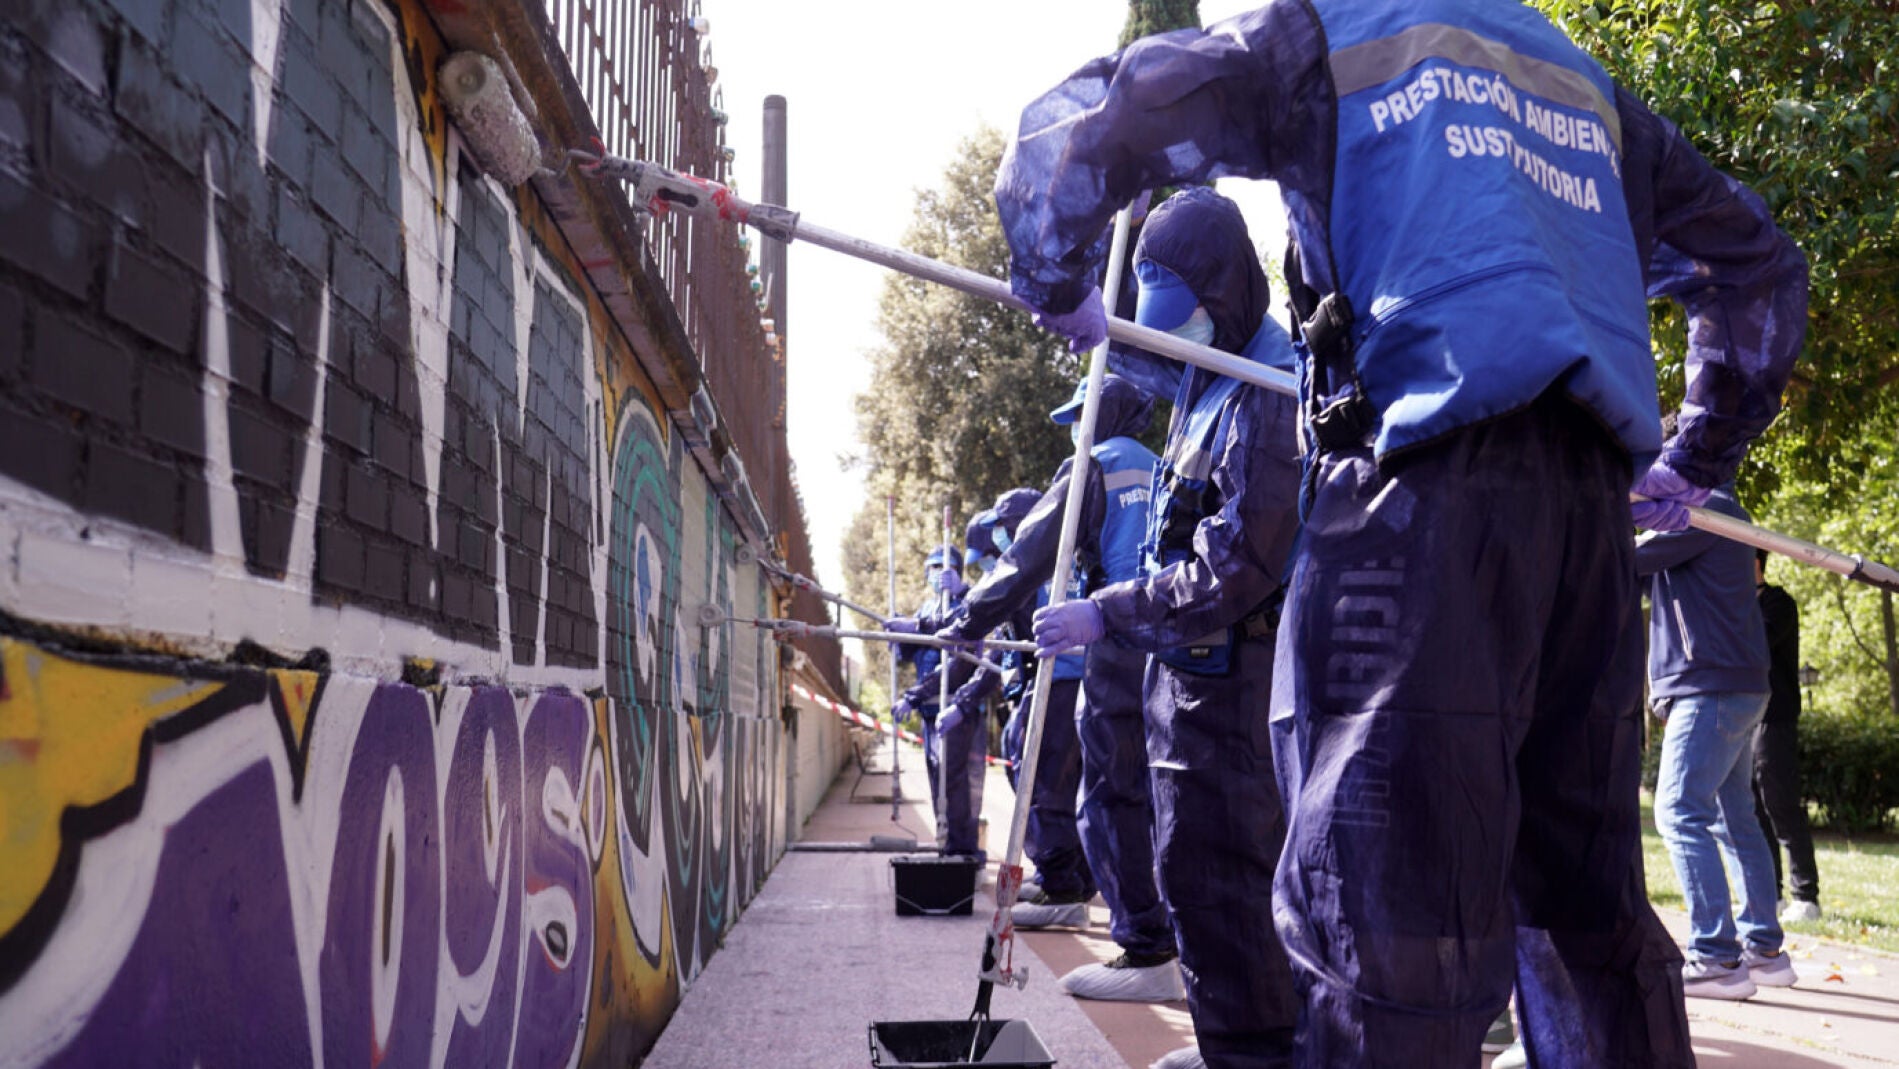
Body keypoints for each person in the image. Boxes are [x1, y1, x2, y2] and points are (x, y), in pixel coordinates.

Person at [995, 2, 1807, 1064]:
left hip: (1414, 499)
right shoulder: (1579, 82)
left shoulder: (1328, 34)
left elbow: (1109, 114)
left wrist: (1051, 275)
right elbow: (1756, 265)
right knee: (1585, 904)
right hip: (1586, 521)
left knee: (1385, 910)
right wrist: (1697, 455)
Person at [1032, 187, 1304, 1069]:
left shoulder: (1268, 392)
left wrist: (1104, 611)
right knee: (1190, 866)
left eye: (1184, 315)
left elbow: (1236, 567)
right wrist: (1091, 312)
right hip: (1188, 676)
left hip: (1239, 679)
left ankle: (1258, 1051)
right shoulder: (1207, 373)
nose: (1176, 336)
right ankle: (1231, 1039)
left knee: (1232, 870)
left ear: (1224, 294)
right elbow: (1147, 353)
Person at [943, 374, 1182, 1004]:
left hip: (1113, 634)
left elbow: (1029, 555)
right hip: (1171, 634)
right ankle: (1172, 939)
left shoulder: (1092, 468)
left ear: (1099, 414)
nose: (1075, 429)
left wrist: (966, 619)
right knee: (1160, 794)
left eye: (1079, 415)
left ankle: (1146, 948)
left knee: (1107, 795)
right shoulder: (1160, 462)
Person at [1639, 477, 1796, 999]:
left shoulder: (1699, 509)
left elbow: (1620, 559)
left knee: (1679, 812)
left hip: (1711, 686)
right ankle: (1764, 951)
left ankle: (1716, 957)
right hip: (1735, 684)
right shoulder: (1717, 511)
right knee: (1734, 819)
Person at [889, 545, 981, 856]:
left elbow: (963, 639)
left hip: (955, 706)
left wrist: (962, 592)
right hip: (929, 707)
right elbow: (912, 650)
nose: (938, 573)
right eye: (933, 567)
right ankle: (946, 841)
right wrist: (899, 634)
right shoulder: (927, 608)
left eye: (945, 567)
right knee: (936, 776)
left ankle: (961, 849)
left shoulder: (967, 603)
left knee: (952, 778)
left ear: (957, 571)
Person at [1753, 548, 1821, 924]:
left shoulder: (1778, 603)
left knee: (1780, 803)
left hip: (1774, 718)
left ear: (1754, 562)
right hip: (1743, 718)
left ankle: (1806, 897)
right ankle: (1771, 895)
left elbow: (1756, 643)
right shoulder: (1736, 603)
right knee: (1753, 808)